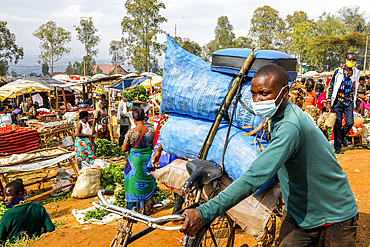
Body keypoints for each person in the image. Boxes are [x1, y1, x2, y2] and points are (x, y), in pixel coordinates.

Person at [181, 65, 358, 247]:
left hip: (332, 216)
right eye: (254, 94)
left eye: (264, 93)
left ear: (284, 92)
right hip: (297, 215)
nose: (257, 100)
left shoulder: (290, 126)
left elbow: (256, 176)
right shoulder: (278, 117)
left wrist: (205, 212)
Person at [121, 106, 155, 215]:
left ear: (134, 120)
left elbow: (124, 148)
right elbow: (153, 145)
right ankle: (147, 208)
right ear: (144, 118)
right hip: (147, 160)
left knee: (132, 183)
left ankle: (134, 208)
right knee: (147, 182)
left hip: (135, 162)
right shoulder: (151, 131)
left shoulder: (130, 132)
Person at [0, 179, 54, 243]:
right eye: (5, 196)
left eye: (9, 195)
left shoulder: (8, 214)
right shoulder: (38, 207)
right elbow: (50, 228)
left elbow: (1, 239)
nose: (5, 199)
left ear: (19, 195)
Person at [325, 53, 360, 154]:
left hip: (349, 101)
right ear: (346, 60)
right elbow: (331, 86)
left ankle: (341, 136)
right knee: (338, 124)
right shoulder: (338, 71)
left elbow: (355, 88)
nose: (352, 62)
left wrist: (356, 100)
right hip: (338, 101)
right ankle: (338, 148)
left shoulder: (356, 72)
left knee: (350, 122)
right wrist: (328, 100)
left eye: (353, 60)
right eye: (350, 59)